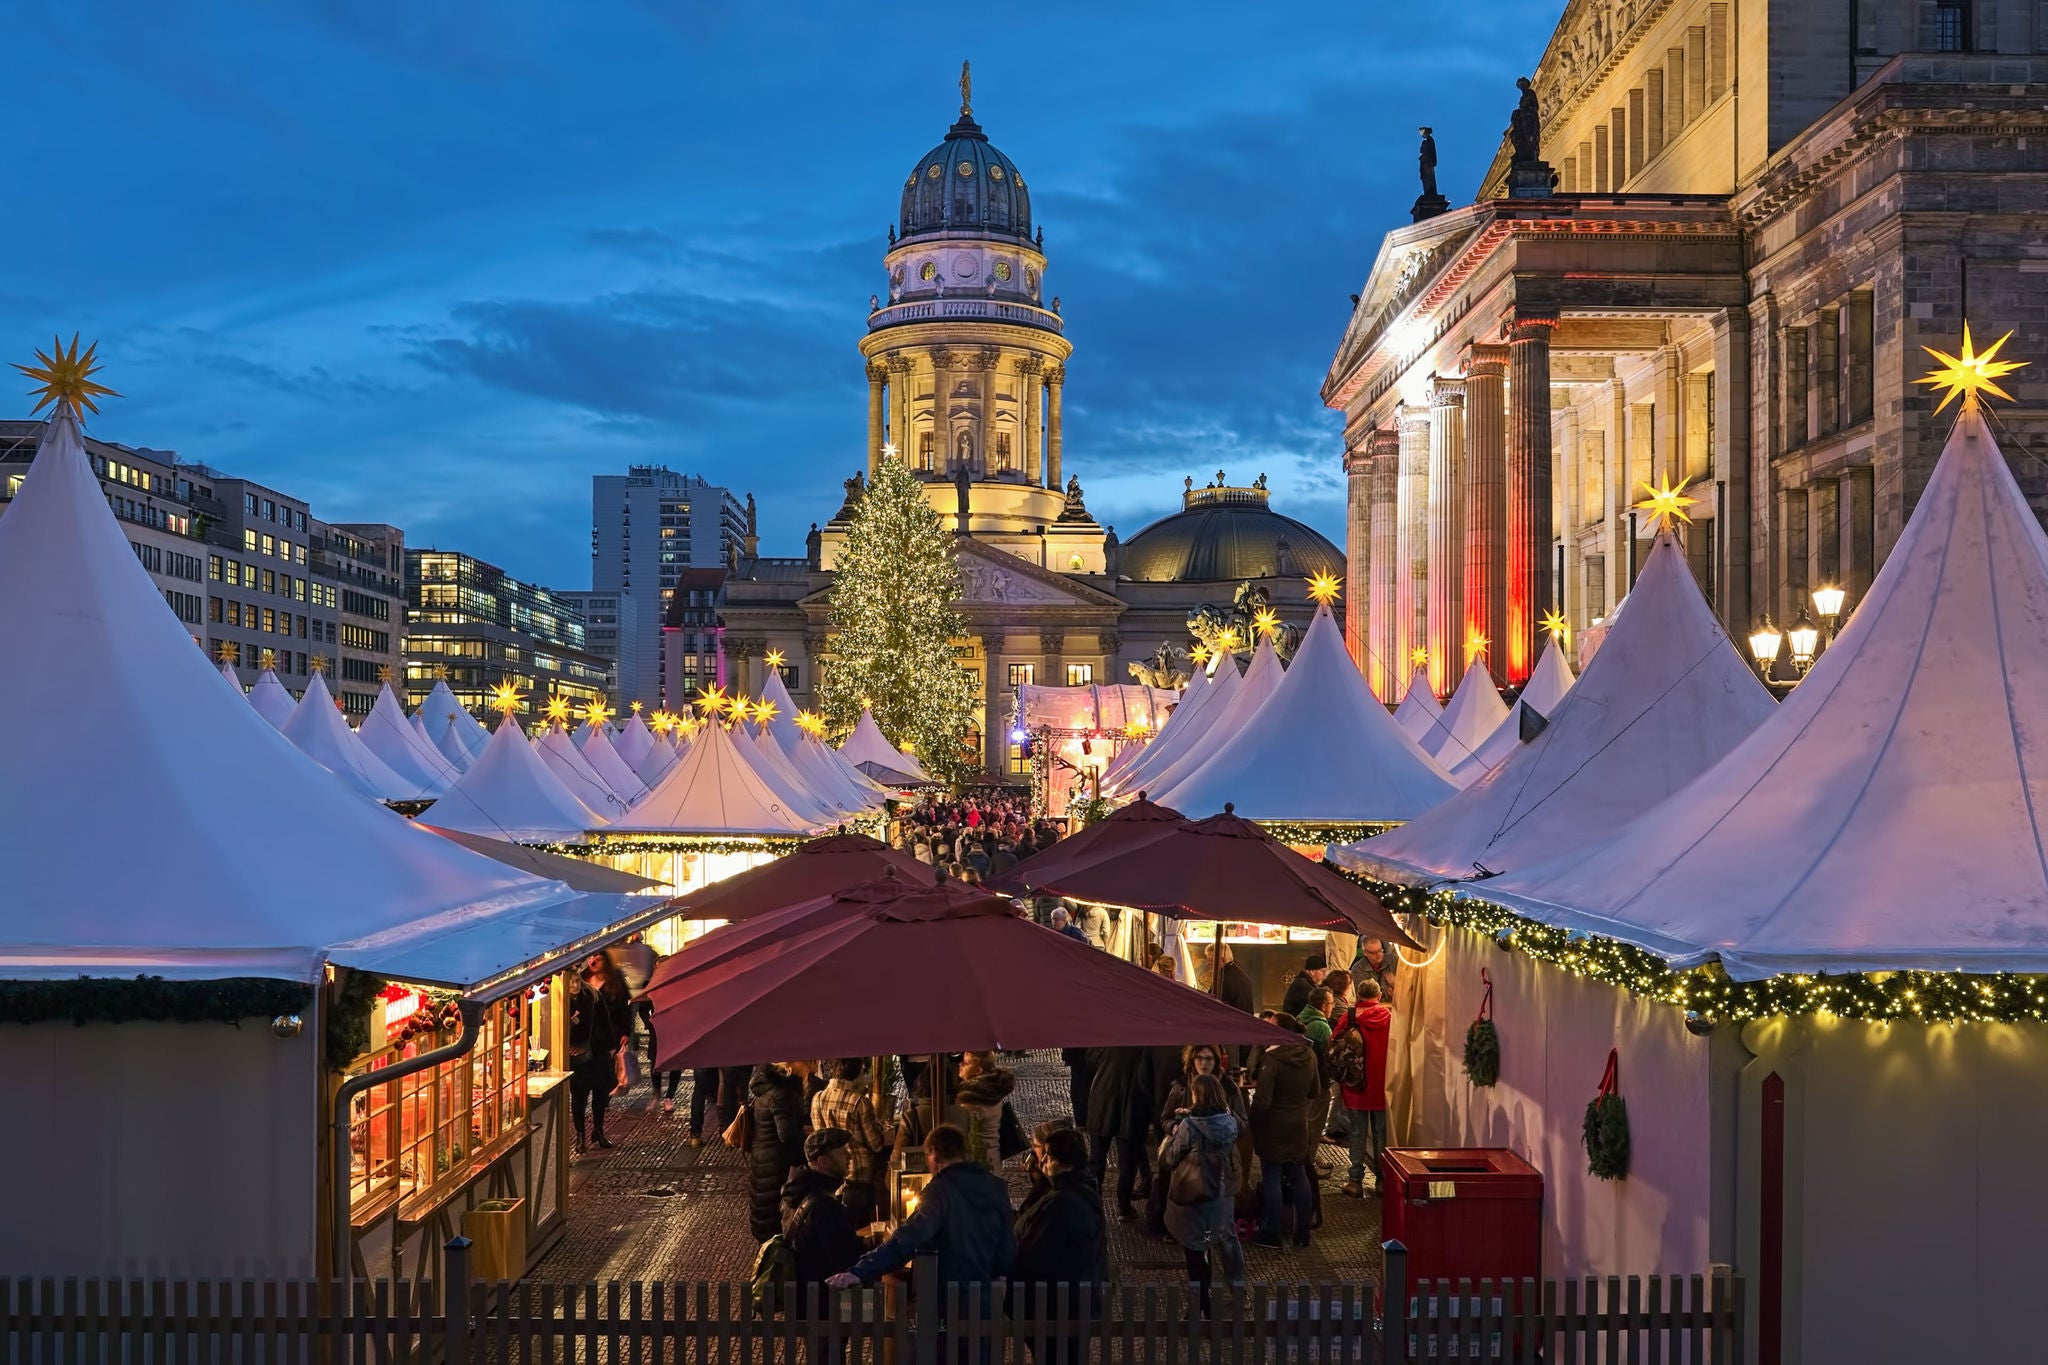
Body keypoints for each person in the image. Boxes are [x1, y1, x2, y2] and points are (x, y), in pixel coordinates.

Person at [828, 1125, 1016, 1290]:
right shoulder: (996, 1187)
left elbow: (908, 1238)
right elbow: (1007, 1248)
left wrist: (860, 1271)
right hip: (985, 1296)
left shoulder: (940, 1190)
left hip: (949, 1294)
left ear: (933, 1152)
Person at [1008, 1125, 1107, 1363]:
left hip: (1055, 1307)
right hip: (1069, 1302)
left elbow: (1036, 1254)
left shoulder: (1062, 1203)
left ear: (1065, 1162)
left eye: (1048, 1158)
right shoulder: (1080, 1191)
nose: (1042, 1164)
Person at [1156, 1073, 1245, 1313]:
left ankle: (1201, 1305)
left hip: (1193, 1194)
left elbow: (1168, 1158)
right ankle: (1209, 1301)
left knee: (1194, 1252)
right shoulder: (1230, 1122)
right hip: (1218, 1190)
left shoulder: (1190, 1126)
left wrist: (1175, 1131)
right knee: (1210, 1242)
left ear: (1198, 1096)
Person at [1147, 1044, 1246, 1238]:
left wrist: (1224, 1114)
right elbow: (1165, 1118)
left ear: (1216, 1061)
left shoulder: (1228, 1087)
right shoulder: (1181, 1086)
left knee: (1222, 1220)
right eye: (1199, 1058)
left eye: (1209, 1058)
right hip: (1186, 1160)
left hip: (1219, 1162)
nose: (1204, 1063)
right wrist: (1175, 1127)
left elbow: (1242, 1124)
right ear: (1191, 1060)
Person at [1249, 1014, 1321, 1248]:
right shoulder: (1308, 1054)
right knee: (1298, 1176)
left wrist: (1251, 1122)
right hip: (1298, 1125)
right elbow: (1314, 1091)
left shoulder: (1272, 1059)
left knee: (1271, 1177)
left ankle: (1272, 1232)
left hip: (1274, 1127)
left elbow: (1262, 1101)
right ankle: (1302, 1233)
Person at [811, 1058, 894, 1227]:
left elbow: (819, 1138)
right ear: (858, 1073)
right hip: (859, 1176)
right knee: (860, 1227)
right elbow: (876, 1144)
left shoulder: (818, 1099)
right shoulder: (859, 1102)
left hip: (830, 1175)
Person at [780, 1128, 867, 1289]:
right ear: (822, 1161)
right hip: (822, 1299)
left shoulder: (796, 1190)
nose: (849, 1157)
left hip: (803, 1296)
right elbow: (846, 1258)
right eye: (842, 1153)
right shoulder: (824, 1206)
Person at [1334, 978, 1395, 1198]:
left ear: (1358, 996)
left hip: (1356, 1086)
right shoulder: (1389, 1018)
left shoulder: (1349, 1017)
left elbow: (1335, 1045)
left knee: (1357, 1132)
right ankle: (1381, 1182)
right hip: (1381, 1085)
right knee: (1381, 1133)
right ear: (1378, 996)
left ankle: (1355, 1181)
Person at [1084, 1046, 1155, 1221]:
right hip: (1132, 1105)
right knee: (1127, 1162)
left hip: (1103, 1102)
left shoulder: (1106, 1041)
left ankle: (1092, 1204)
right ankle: (1124, 1207)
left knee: (1097, 1160)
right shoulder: (1144, 1047)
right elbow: (1147, 1077)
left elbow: (1090, 1060)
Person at [566, 957, 627, 1154]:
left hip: (598, 1050)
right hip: (578, 1054)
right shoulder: (561, 1001)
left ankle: (598, 1131)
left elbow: (605, 1020)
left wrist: (611, 1045)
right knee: (579, 1096)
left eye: (576, 980)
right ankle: (581, 1135)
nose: (575, 984)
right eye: (572, 981)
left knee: (600, 1094)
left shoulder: (591, 995)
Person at [749, 1062, 808, 1241]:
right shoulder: (780, 1094)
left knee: (766, 1225)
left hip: (763, 1163)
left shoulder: (767, 1089)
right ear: (791, 1065)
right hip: (776, 1167)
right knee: (774, 1230)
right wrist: (805, 1138)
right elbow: (786, 1135)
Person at [955, 1051, 1021, 1169]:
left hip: (977, 1161)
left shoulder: (973, 1099)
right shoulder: (990, 1092)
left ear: (978, 1070)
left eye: (966, 1063)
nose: (960, 1064)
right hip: (991, 1158)